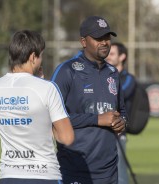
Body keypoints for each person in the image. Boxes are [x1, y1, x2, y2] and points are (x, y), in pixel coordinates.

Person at [0, 30, 74, 184]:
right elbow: (66, 137)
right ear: (33, 57)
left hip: (8, 175)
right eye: (41, 56)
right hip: (44, 175)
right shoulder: (47, 88)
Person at [51, 16, 127, 184]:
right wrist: (97, 119)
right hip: (74, 169)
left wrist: (122, 121)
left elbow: (122, 110)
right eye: (98, 38)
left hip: (108, 170)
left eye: (107, 37)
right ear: (84, 41)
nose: (105, 42)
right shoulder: (67, 70)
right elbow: (52, 118)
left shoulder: (113, 73)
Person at [106, 42, 136, 184]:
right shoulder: (102, 75)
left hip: (118, 133)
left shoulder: (128, 78)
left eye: (112, 54)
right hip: (99, 132)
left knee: (119, 175)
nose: (108, 56)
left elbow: (117, 95)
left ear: (122, 56)